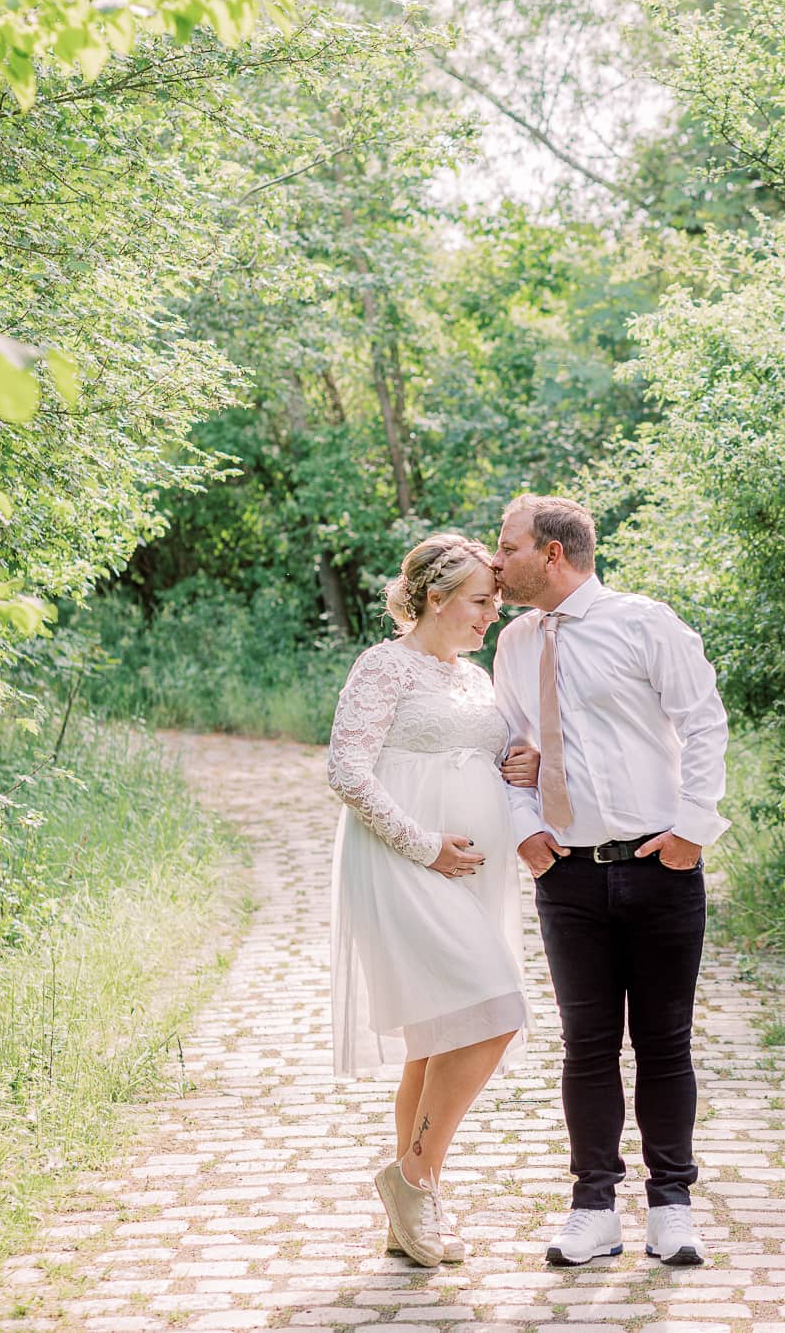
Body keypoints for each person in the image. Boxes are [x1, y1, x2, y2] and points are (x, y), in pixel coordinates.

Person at [492, 494, 728, 1270]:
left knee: (665, 1043)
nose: (498, 562)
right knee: (585, 1046)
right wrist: (524, 828)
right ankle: (593, 1207)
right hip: (567, 875)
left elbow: (703, 721)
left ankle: (672, 1207)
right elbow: (510, 746)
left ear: (552, 553)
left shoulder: (644, 622)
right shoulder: (516, 643)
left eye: (508, 546)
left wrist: (693, 829)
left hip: (658, 866)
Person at [325, 533, 538, 1268]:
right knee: (497, 1008)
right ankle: (411, 1174)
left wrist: (520, 759)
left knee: (439, 1034)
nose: (491, 615)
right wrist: (425, 844)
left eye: (496, 601)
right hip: (402, 860)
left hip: (470, 872)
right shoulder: (384, 665)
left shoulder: (475, 679)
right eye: (481, 601)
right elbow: (347, 769)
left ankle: (415, 1207)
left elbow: (495, 754)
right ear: (437, 597)